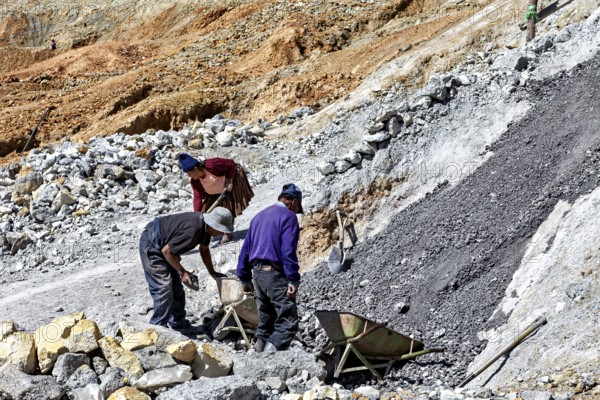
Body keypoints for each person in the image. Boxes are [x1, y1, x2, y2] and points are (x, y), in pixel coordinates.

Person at [139, 207, 231, 334]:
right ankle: (157, 329)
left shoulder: (205, 229)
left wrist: (212, 272)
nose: (222, 234)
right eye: (220, 230)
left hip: (165, 247)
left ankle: (179, 325)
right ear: (211, 225)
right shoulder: (193, 230)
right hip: (153, 244)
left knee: (176, 288)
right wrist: (182, 272)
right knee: (163, 287)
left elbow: (204, 250)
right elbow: (167, 251)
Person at [236, 183, 304, 352]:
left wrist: (244, 277)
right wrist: (293, 279)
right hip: (273, 274)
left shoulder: (259, 216)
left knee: (266, 321)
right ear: (293, 202)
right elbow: (288, 251)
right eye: (296, 208)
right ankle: (269, 364)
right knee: (287, 322)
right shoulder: (288, 217)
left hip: (257, 275)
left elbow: (245, 250)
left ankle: (257, 358)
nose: (295, 212)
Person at [178, 153, 254, 243]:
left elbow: (231, 163)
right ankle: (213, 231)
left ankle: (227, 233)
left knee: (228, 208)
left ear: (195, 169)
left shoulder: (212, 165)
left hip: (232, 178)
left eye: (189, 173)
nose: (189, 176)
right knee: (205, 212)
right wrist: (197, 215)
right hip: (214, 189)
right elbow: (198, 198)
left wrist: (229, 180)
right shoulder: (195, 182)